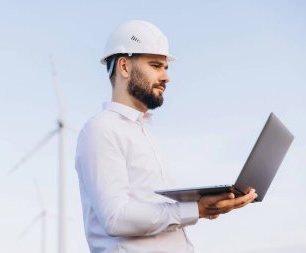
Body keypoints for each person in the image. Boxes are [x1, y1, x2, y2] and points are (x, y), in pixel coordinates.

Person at [75, 20, 257, 253]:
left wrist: (204, 205)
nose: (166, 77)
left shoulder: (143, 133)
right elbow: (116, 217)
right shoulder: (101, 130)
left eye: (166, 67)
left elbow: (159, 216)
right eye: (155, 65)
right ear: (123, 66)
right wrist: (197, 209)